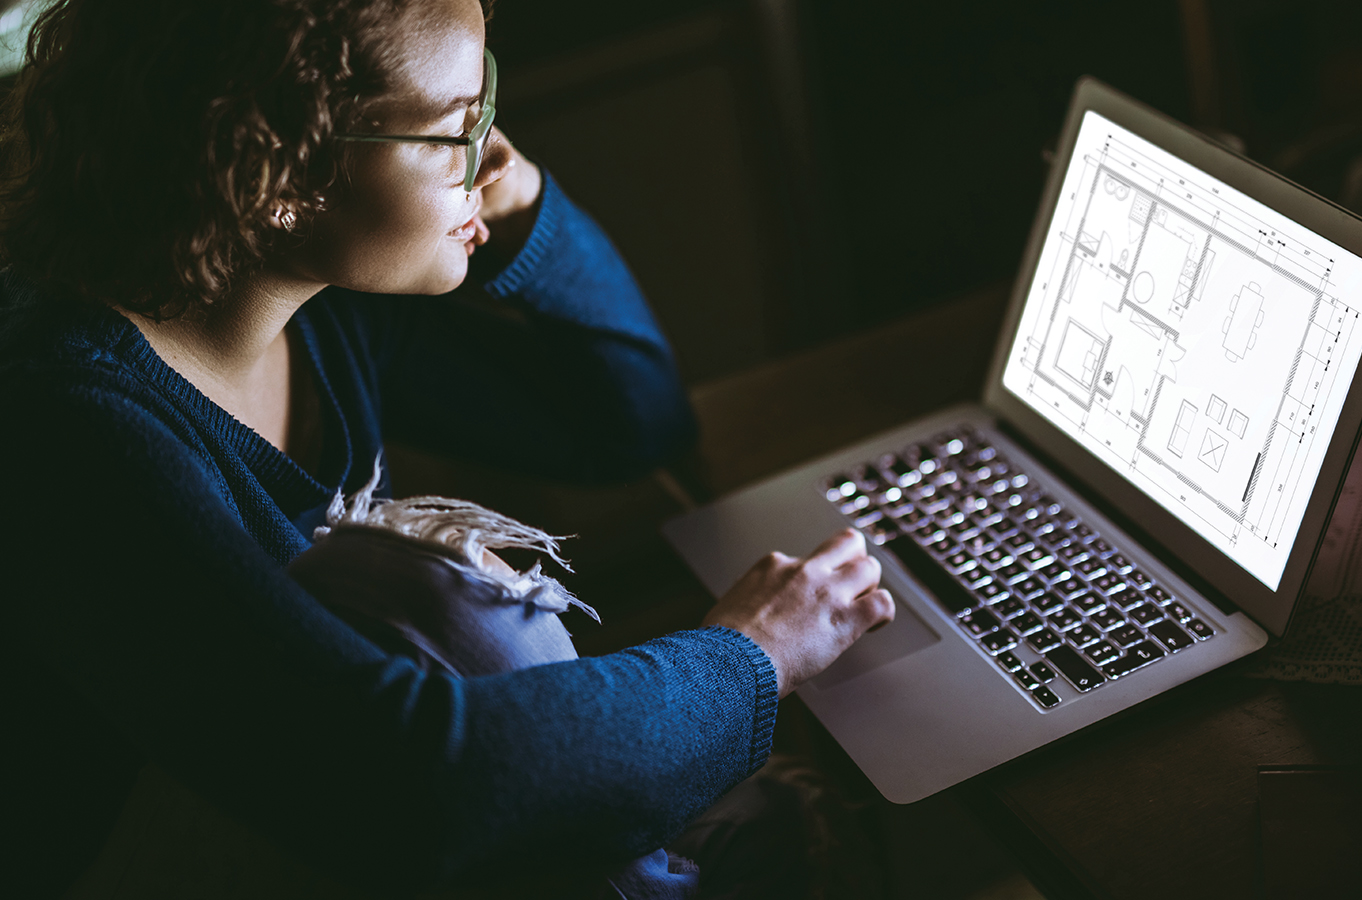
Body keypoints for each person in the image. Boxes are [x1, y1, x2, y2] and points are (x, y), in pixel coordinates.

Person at [0, 0, 894, 896]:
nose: (490, 153)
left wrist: (526, 204)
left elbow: (627, 424)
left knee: (781, 824)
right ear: (281, 175)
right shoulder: (71, 432)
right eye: (456, 131)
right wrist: (753, 656)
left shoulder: (325, 309)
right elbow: (414, 779)